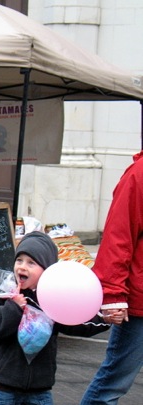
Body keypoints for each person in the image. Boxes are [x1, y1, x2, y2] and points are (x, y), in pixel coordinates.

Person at [0, 231, 109, 405]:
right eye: (19, 260)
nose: (22, 267)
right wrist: (14, 307)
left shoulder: (51, 298)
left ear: (46, 270)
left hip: (40, 389)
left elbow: (75, 323)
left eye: (31, 263)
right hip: (4, 387)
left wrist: (105, 319)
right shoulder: (6, 293)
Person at [80, 151, 143, 405]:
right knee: (111, 386)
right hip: (140, 302)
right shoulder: (138, 175)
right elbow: (118, 237)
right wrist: (113, 294)